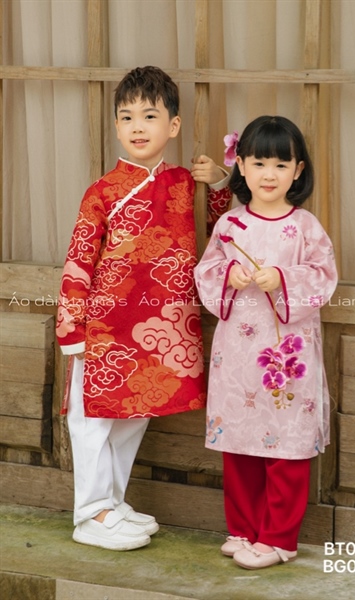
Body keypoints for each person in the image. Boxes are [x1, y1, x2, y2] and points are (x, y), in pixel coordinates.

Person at [56, 66, 231, 551]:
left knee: (133, 418)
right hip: (104, 327)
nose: (137, 126)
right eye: (127, 116)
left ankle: (112, 503)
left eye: (149, 116)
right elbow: (78, 261)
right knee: (92, 421)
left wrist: (219, 181)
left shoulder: (184, 183)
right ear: (116, 126)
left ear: (172, 125)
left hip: (158, 325)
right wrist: (72, 329)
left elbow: (218, 225)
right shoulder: (102, 191)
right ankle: (90, 513)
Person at [194, 116, 338, 570]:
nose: (269, 174)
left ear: (298, 170)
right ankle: (243, 529)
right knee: (239, 442)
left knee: (286, 446)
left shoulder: (306, 227)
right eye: (258, 163)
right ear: (240, 165)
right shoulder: (230, 225)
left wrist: (281, 277)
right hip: (238, 355)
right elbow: (206, 271)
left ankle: (279, 539)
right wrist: (229, 275)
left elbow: (323, 276)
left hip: (287, 357)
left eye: (281, 164)